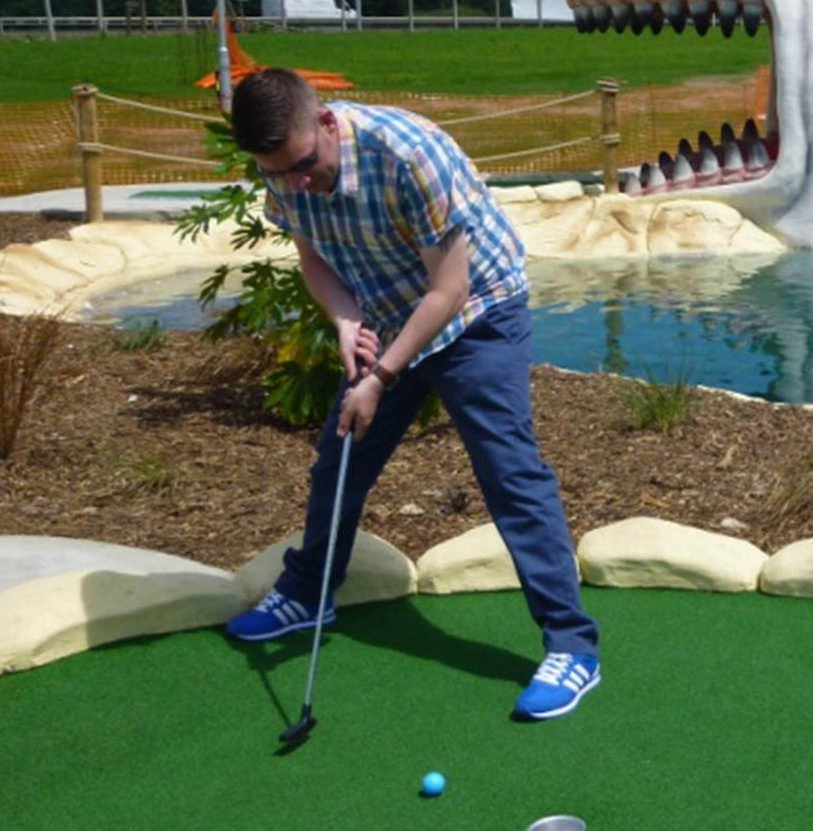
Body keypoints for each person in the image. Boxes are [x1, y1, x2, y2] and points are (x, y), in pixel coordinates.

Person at [221, 67, 600, 721]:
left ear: (329, 124)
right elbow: (312, 254)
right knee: (341, 457)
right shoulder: (283, 161)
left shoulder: (408, 155)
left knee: (509, 471)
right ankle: (310, 592)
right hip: (390, 313)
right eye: (277, 172)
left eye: (303, 167)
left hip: (477, 311)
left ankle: (572, 645)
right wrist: (344, 320)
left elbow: (448, 291)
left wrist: (380, 376)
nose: (293, 183)